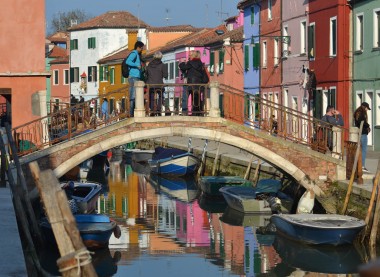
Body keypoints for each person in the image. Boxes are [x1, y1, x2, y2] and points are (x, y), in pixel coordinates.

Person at [179, 50, 208, 116]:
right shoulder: (201, 64)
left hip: (190, 83)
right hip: (198, 85)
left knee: (185, 97)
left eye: (191, 55)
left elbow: (183, 67)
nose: (190, 56)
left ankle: (184, 111)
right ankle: (197, 112)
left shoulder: (190, 63)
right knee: (196, 98)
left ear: (193, 56)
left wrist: (181, 62)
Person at [145, 51, 168, 116]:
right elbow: (165, 75)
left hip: (150, 84)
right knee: (161, 96)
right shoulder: (162, 65)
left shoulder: (149, 65)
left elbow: (146, 74)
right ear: (161, 57)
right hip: (159, 84)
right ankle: (158, 109)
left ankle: (152, 110)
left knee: (151, 97)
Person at [126, 41, 145, 117]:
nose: (142, 50)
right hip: (133, 77)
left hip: (136, 77)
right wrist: (137, 65)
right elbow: (128, 61)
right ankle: (131, 114)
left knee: (135, 96)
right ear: (138, 47)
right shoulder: (134, 53)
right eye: (141, 48)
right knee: (133, 96)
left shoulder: (137, 54)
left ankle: (132, 113)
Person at [354, 102, 371, 173]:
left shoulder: (356, 112)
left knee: (359, 149)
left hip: (359, 133)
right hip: (363, 133)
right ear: (364, 107)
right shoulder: (362, 113)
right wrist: (368, 126)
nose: (367, 110)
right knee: (363, 150)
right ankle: (362, 165)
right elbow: (362, 122)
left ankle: (358, 165)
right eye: (367, 108)